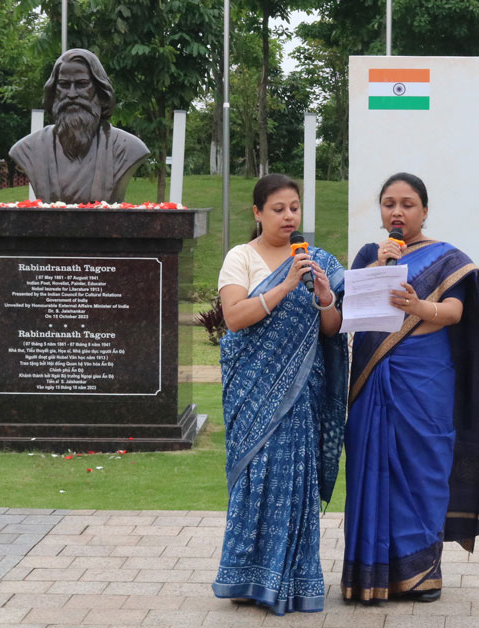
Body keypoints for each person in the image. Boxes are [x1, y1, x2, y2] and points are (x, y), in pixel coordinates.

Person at [341, 172, 479, 604]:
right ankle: (370, 573)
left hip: (426, 376)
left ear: (424, 210)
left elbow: (453, 311)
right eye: (389, 203)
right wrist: (378, 267)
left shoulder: (448, 258)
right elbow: (349, 308)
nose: (397, 211)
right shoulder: (369, 255)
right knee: (372, 466)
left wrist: (417, 305)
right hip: (373, 376)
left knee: (424, 467)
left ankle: (420, 574)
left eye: (408, 203)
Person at [212, 174, 347, 614]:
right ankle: (246, 577)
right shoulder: (241, 257)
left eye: (294, 208)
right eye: (278, 209)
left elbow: (331, 331)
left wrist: (325, 296)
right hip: (253, 395)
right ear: (257, 213)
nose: (289, 216)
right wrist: (286, 284)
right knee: (258, 476)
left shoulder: (316, 260)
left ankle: (291, 580)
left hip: (300, 395)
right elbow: (234, 318)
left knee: (294, 482)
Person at [9, 48, 149, 204]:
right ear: (54, 91)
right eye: (64, 85)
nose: (72, 94)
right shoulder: (29, 148)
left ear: (99, 90)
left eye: (82, 84)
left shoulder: (126, 148)